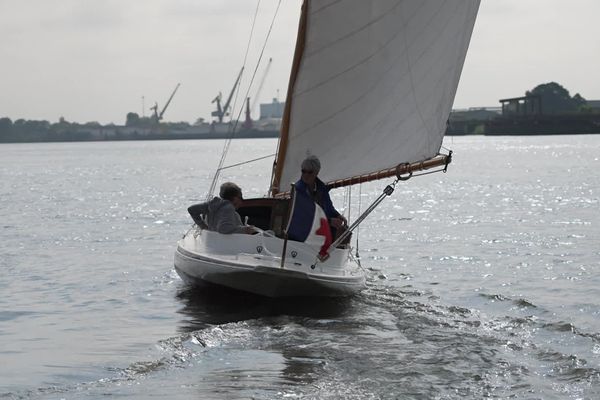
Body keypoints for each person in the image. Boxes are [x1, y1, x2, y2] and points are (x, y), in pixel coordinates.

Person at [294, 155, 348, 238]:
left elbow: (329, 208)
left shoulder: (321, 188)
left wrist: (338, 216)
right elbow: (303, 216)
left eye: (310, 172)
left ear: (317, 172)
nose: (306, 175)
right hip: (304, 232)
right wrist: (329, 221)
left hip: (320, 231)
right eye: (303, 171)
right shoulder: (297, 190)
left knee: (340, 233)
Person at [187, 182, 255, 234]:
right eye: (241, 198)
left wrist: (203, 227)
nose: (241, 202)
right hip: (226, 247)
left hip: (213, 242)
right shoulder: (228, 208)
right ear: (235, 198)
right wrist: (245, 230)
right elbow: (224, 229)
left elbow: (192, 209)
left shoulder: (211, 205)